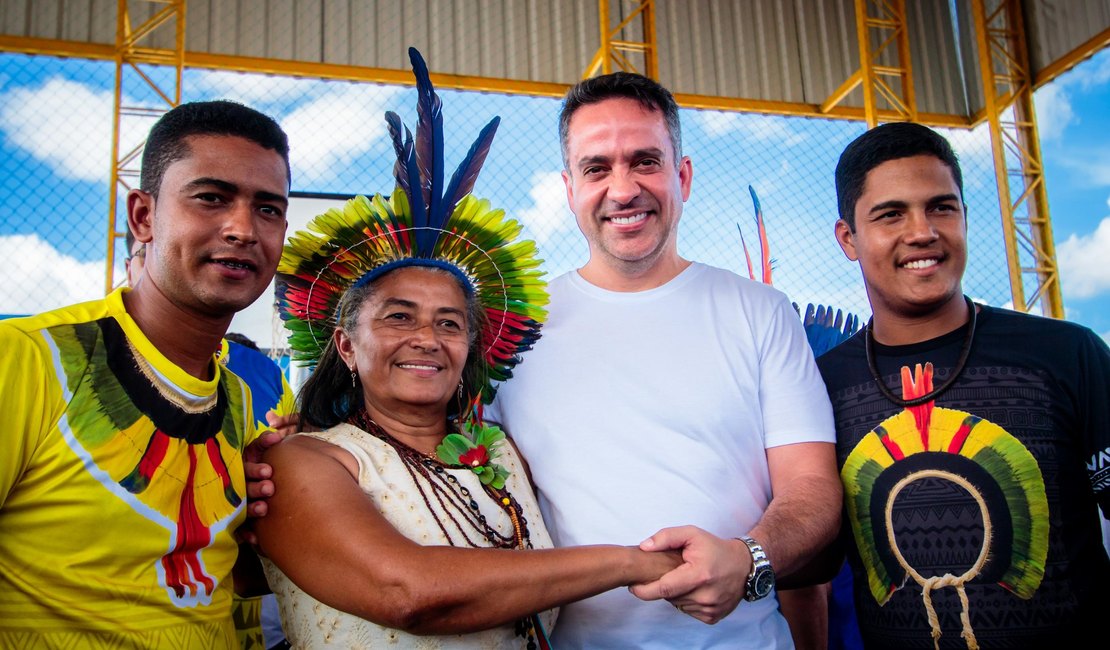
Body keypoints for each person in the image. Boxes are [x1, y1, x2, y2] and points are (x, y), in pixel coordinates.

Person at [254, 48, 680, 649]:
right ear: (346, 346)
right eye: (399, 318)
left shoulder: (501, 451)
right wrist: (635, 562)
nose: (427, 338)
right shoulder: (303, 462)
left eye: (450, 323)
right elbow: (407, 593)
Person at [485, 71, 842, 649]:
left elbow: (812, 488)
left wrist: (748, 559)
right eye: (597, 168)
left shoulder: (761, 312)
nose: (623, 189)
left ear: (683, 176)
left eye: (645, 161)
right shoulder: (510, 329)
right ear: (569, 186)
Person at [0, 100, 291, 648]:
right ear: (142, 216)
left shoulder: (252, 402)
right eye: (211, 198)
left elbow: (215, 582)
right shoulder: (27, 360)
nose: (243, 229)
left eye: (269, 209)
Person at [815, 121, 1110, 648]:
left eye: (941, 207)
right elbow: (810, 570)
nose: (922, 231)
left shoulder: (1066, 355)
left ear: (965, 219)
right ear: (848, 240)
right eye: (890, 214)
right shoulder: (819, 385)